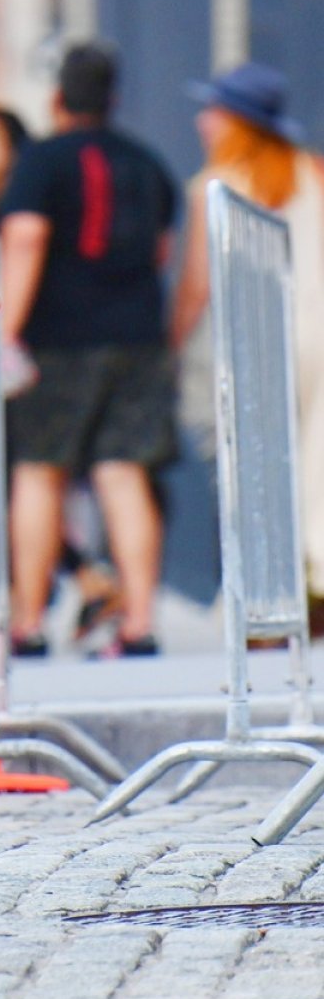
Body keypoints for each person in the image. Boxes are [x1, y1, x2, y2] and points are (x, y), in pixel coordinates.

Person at [0, 42, 177, 659]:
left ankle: (27, 625)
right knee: (123, 473)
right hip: (137, 337)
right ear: (113, 98)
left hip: (58, 340)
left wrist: (6, 331)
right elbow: (162, 251)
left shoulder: (42, 161)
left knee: (39, 472)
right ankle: (140, 623)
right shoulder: (148, 163)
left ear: (57, 99)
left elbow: (25, 238)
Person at [171, 62, 324, 614]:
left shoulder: (215, 185)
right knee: (313, 457)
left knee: (253, 463)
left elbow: (197, 284)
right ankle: (314, 577)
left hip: (255, 339)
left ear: (238, 120)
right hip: (316, 334)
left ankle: (262, 592)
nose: (203, 121)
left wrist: (171, 341)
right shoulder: (312, 171)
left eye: (214, 111)